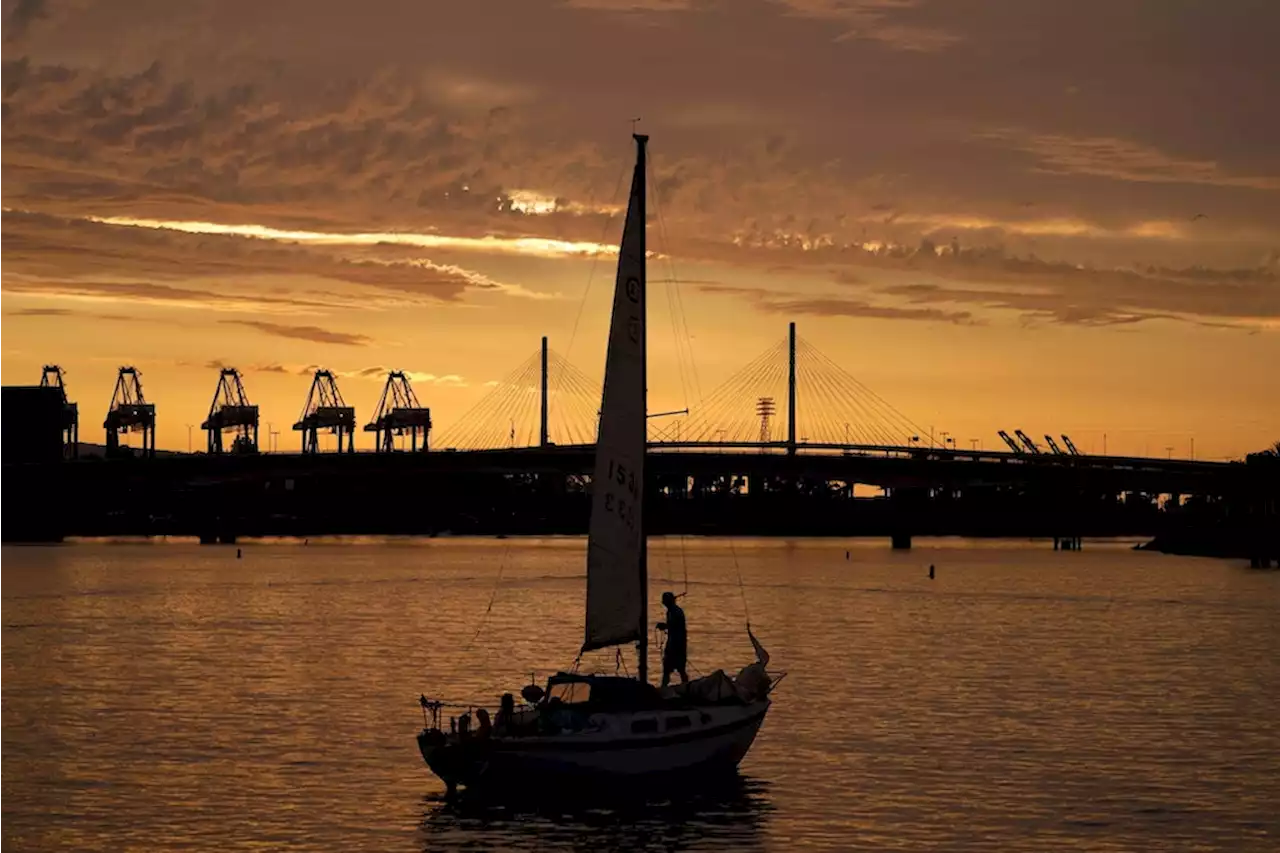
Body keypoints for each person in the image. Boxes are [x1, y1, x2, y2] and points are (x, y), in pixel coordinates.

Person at [656, 591, 688, 688]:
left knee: (676, 669)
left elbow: (675, 627)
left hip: (676, 645)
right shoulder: (672, 611)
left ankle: (664, 688)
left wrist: (664, 626)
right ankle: (684, 687)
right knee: (676, 669)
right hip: (675, 644)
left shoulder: (675, 612)